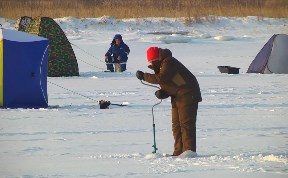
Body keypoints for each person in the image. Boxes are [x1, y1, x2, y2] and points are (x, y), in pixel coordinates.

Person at [136, 47, 202, 156]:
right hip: (178, 95)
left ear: (157, 58)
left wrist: (144, 76)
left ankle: (188, 152)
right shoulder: (163, 65)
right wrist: (164, 92)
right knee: (176, 125)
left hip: (188, 94)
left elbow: (161, 78)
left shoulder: (169, 62)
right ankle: (178, 152)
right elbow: (175, 82)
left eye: (152, 61)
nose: (151, 63)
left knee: (186, 124)